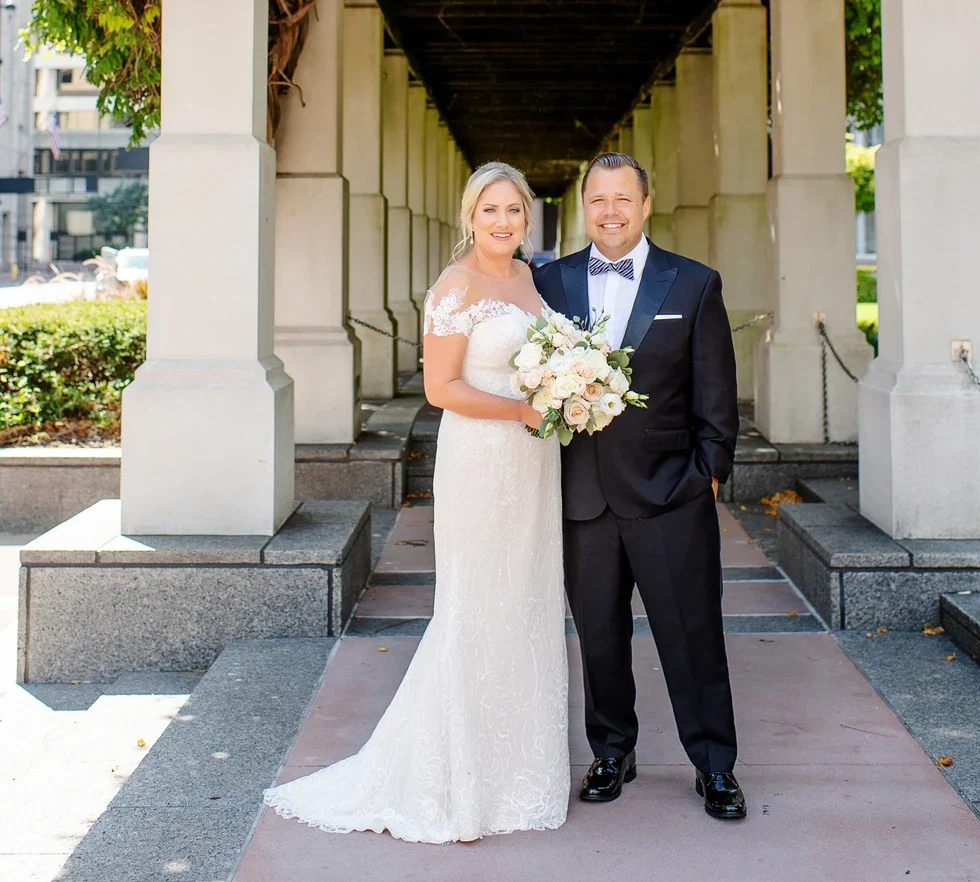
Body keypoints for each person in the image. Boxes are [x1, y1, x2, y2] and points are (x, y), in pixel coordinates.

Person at [263, 161, 569, 844]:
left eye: (513, 210)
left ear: (527, 217)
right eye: (489, 210)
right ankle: (457, 783)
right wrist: (523, 410)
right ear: (469, 217)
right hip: (485, 454)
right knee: (475, 604)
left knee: (526, 598)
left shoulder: (528, 279)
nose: (502, 221)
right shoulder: (454, 286)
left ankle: (518, 770)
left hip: (534, 459)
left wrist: (563, 393)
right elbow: (442, 388)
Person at [534, 151, 745, 821]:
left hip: (670, 495)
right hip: (582, 497)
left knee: (692, 635)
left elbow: (717, 394)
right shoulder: (550, 284)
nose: (610, 211)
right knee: (598, 635)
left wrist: (707, 475)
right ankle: (610, 751)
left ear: (646, 205)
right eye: (598, 199)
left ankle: (714, 765)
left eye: (623, 199)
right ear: (584, 206)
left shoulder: (694, 284)